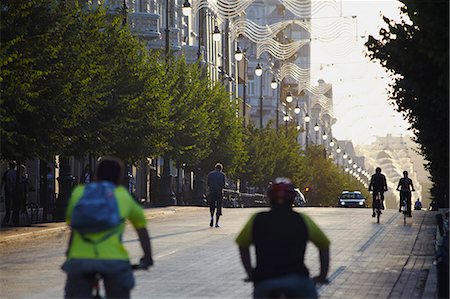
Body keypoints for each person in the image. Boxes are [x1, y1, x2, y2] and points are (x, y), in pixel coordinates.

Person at [62, 157, 153, 299]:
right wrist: (148, 258)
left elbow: (72, 224)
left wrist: (70, 255)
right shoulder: (123, 196)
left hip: (79, 259)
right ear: (119, 178)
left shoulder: (79, 193)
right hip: (114, 260)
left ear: (96, 175)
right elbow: (142, 230)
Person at [236, 178, 330, 299]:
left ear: (269, 197)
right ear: (292, 198)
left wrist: (251, 273)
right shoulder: (303, 220)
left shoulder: (257, 219)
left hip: (265, 280)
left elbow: (242, 245)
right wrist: (322, 276)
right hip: (297, 280)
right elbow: (324, 245)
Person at [207, 163, 226, 228]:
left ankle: (212, 217)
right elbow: (223, 184)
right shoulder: (222, 175)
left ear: (215, 168)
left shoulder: (210, 174)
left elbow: (208, 183)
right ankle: (216, 222)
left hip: (212, 192)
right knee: (218, 207)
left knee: (212, 206)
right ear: (221, 169)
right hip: (219, 192)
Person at [1, 162, 17, 226]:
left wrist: (0, 189)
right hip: (15, 191)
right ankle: (13, 219)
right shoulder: (16, 173)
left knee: (8, 206)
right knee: (14, 205)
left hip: (7, 191)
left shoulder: (7, 173)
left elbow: (3, 182)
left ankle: (7, 219)